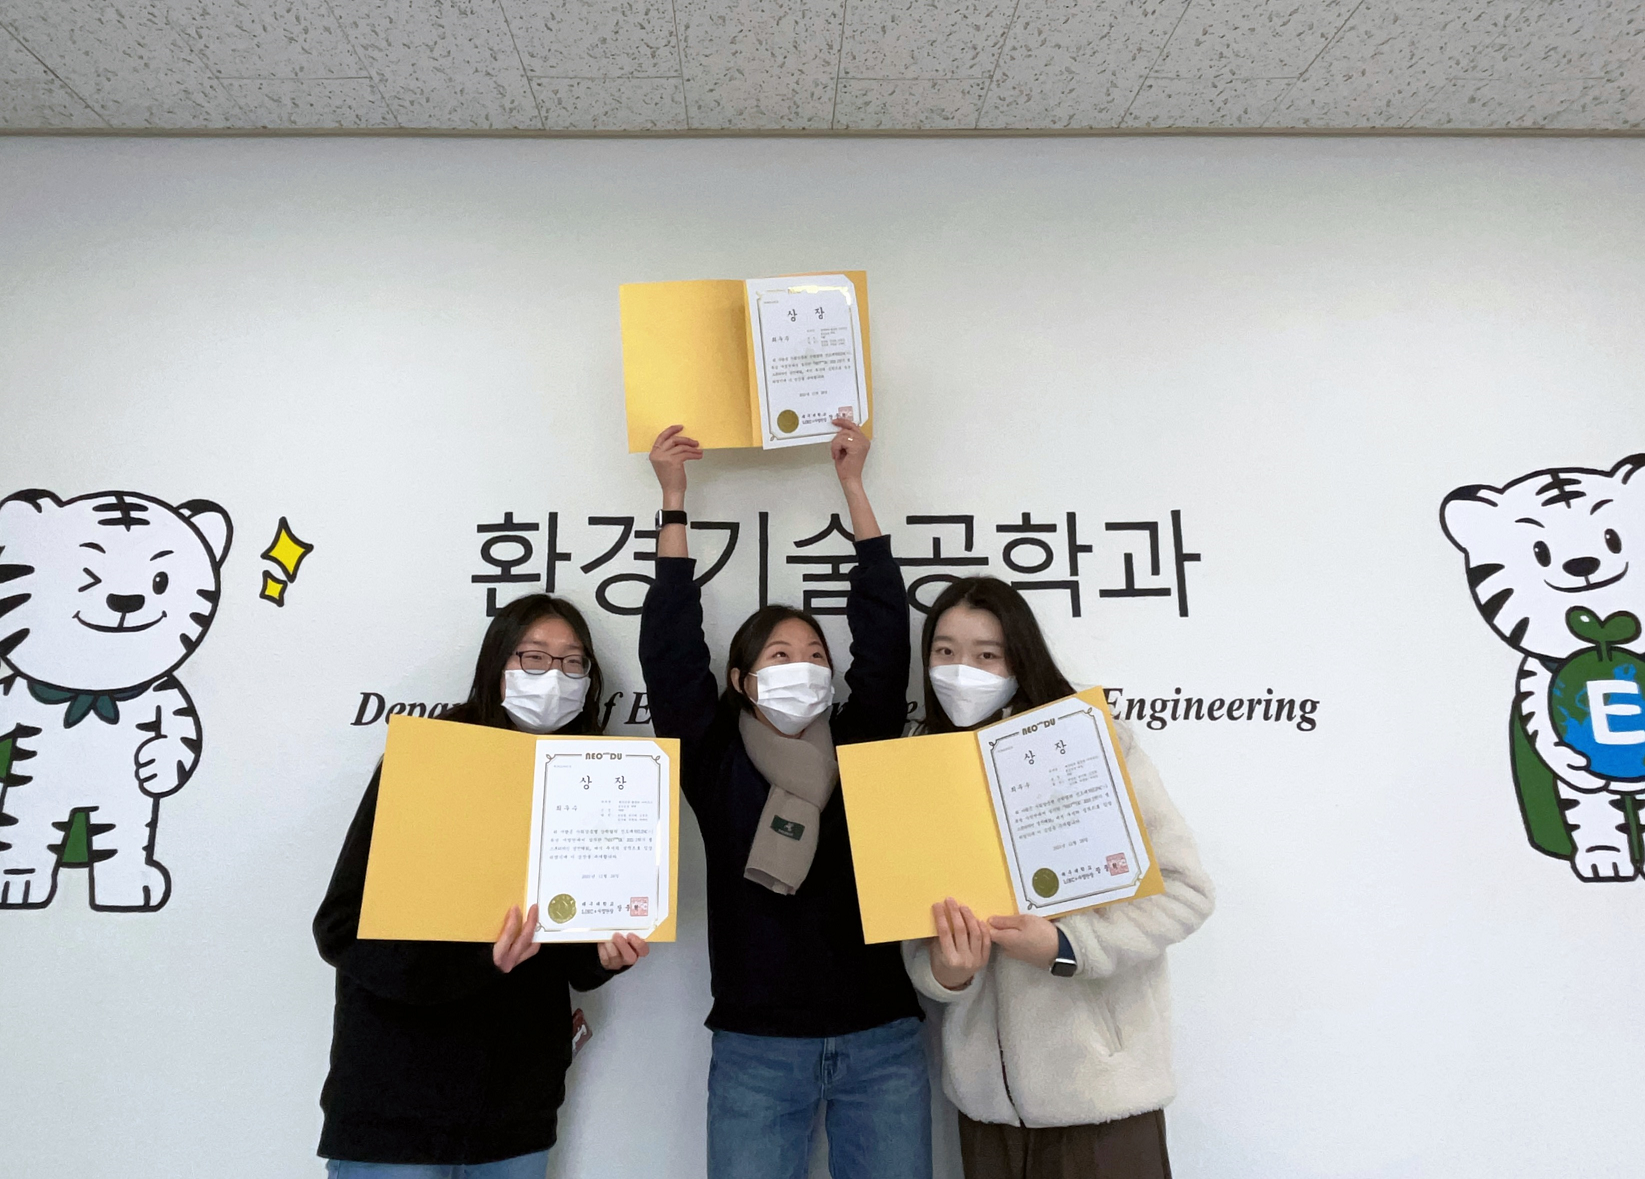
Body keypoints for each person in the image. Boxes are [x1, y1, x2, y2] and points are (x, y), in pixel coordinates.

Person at [639, 420, 929, 1179]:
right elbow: (670, 651)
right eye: (779, 655)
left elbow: (884, 639)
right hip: (757, 1050)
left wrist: (853, 485)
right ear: (741, 681)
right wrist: (674, 500)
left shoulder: (859, 743)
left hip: (882, 1041)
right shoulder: (714, 757)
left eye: (814, 655)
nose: (802, 667)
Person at [314, 594, 650, 1179]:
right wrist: (478, 962)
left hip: (515, 1117)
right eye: (534, 657)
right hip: (395, 1111)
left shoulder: (593, 779)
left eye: (574, 662)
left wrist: (603, 959)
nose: (556, 676)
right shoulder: (426, 762)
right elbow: (341, 928)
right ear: (496, 665)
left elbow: (567, 956)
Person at [903, 577, 1214, 1179]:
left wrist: (1067, 946)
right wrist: (946, 973)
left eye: (986, 654)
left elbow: (1185, 891)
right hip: (988, 1113)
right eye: (945, 651)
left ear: (1020, 659)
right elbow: (913, 933)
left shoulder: (1095, 743)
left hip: (1102, 1103)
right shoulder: (916, 770)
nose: (962, 670)